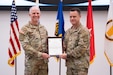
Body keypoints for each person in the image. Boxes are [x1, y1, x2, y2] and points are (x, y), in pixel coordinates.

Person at [19, 6, 50, 75]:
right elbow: (26, 46)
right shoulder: (24, 29)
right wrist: (40, 54)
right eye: (33, 13)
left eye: (37, 13)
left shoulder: (43, 28)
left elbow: (47, 44)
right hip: (32, 65)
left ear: (40, 14)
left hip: (43, 65)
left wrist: (55, 51)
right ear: (29, 15)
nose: (36, 15)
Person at [60, 7, 90, 75]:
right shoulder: (68, 31)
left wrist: (67, 55)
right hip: (70, 66)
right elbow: (64, 46)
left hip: (80, 67)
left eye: (74, 16)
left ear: (79, 16)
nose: (72, 19)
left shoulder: (83, 31)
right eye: (70, 17)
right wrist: (57, 49)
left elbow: (81, 48)